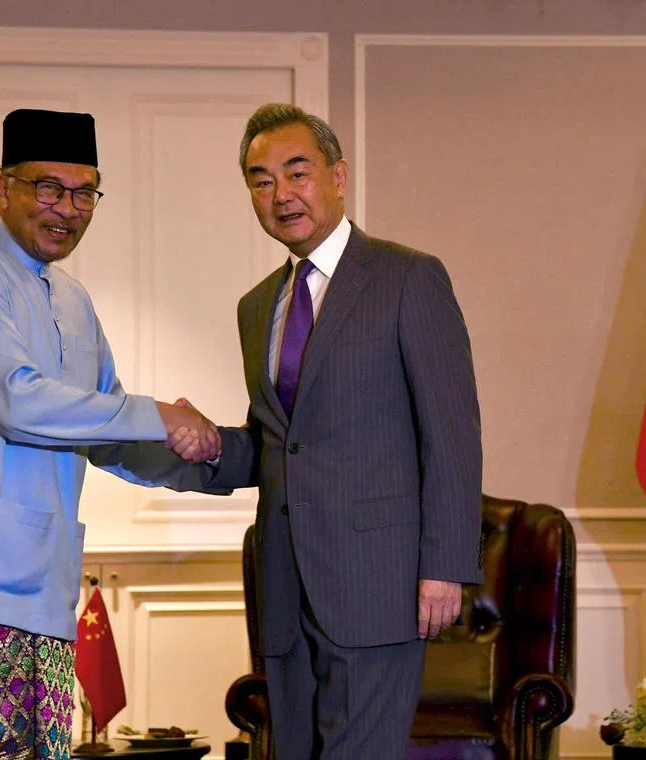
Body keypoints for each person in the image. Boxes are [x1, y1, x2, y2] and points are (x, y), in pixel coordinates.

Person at [0, 108, 222, 760]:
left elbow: (108, 425)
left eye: (84, 191)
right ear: (2, 187)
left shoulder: (73, 299)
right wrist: (162, 415)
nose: (67, 208)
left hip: (45, 590)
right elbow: (16, 400)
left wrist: (234, 458)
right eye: (47, 187)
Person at [169, 102, 484, 759]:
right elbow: (278, 444)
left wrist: (445, 567)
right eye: (260, 180)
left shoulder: (407, 278)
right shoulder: (258, 307)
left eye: (297, 172)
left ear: (338, 176)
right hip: (285, 588)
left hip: (380, 584)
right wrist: (204, 443)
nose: (280, 194)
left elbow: (451, 432)